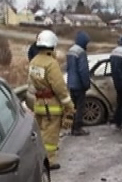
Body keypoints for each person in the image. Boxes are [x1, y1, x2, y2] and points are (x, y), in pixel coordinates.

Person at [25, 30, 75, 171]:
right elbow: (59, 87)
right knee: (50, 136)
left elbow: (31, 83)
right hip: (51, 106)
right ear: (52, 45)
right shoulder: (51, 63)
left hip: (39, 104)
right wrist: (69, 105)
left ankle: (38, 157)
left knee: (40, 133)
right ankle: (49, 160)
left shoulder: (34, 61)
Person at [66, 31, 91, 136]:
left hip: (71, 83)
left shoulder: (70, 51)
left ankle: (72, 127)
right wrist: (86, 84)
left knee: (74, 107)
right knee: (80, 107)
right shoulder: (81, 52)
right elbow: (83, 70)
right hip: (79, 85)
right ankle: (78, 128)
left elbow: (68, 68)